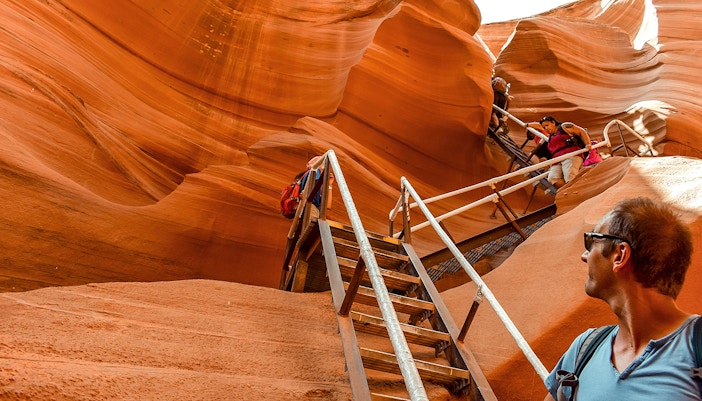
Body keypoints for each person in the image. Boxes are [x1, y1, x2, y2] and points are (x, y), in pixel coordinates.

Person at [544, 197, 699, 401]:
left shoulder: (696, 347)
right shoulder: (585, 348)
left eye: (591, 241)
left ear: (620, 255)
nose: (585, 256)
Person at [526, 116, 591, 189]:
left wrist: (588, 144)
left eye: (547, 125)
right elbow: (539, 126)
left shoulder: (564, 127)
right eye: (544, 128)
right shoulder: (550, 137)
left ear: (553, 122)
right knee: (552, 179)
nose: (546, 128)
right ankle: (571, 189)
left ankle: (574, 191)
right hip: (557, 160)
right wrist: (528, 125)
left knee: (569, 175)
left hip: (570, 156)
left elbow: (581, 131)